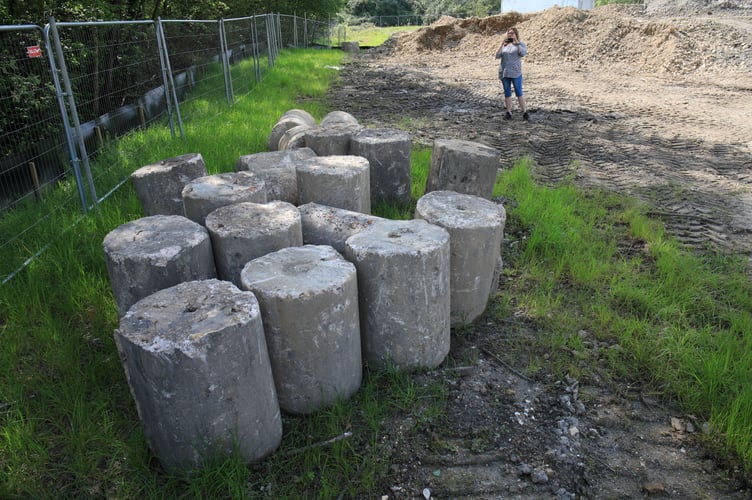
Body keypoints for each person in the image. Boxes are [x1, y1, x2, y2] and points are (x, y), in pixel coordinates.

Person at [495, 27, 529, 120]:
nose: (510, 35)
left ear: (516, 34)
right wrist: (502, 45)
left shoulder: (521, 44)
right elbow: (497, 56)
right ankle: (509, 112)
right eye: (509, 33)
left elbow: (522, 53)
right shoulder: (505, 45)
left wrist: (517, 44)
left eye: (512, 33)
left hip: (516, 72)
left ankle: (524, 112)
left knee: (519, 92)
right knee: (507, 93)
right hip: (505, 72)